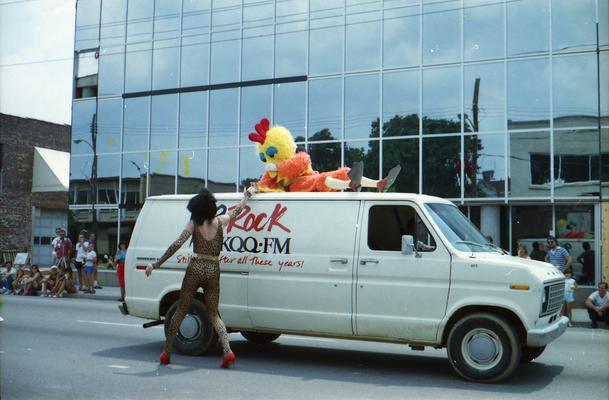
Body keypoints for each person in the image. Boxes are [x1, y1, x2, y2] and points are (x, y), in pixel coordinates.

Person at [145, 185, 257, 368]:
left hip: (196, 267)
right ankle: (228, 351)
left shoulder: (194, 224)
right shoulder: (220, 221)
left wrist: (156, 264)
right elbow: (237, 211)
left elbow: (176, 244)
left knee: (181, 310)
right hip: (213, 268)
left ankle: (166, 352)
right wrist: (247, 195)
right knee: (213, 314)